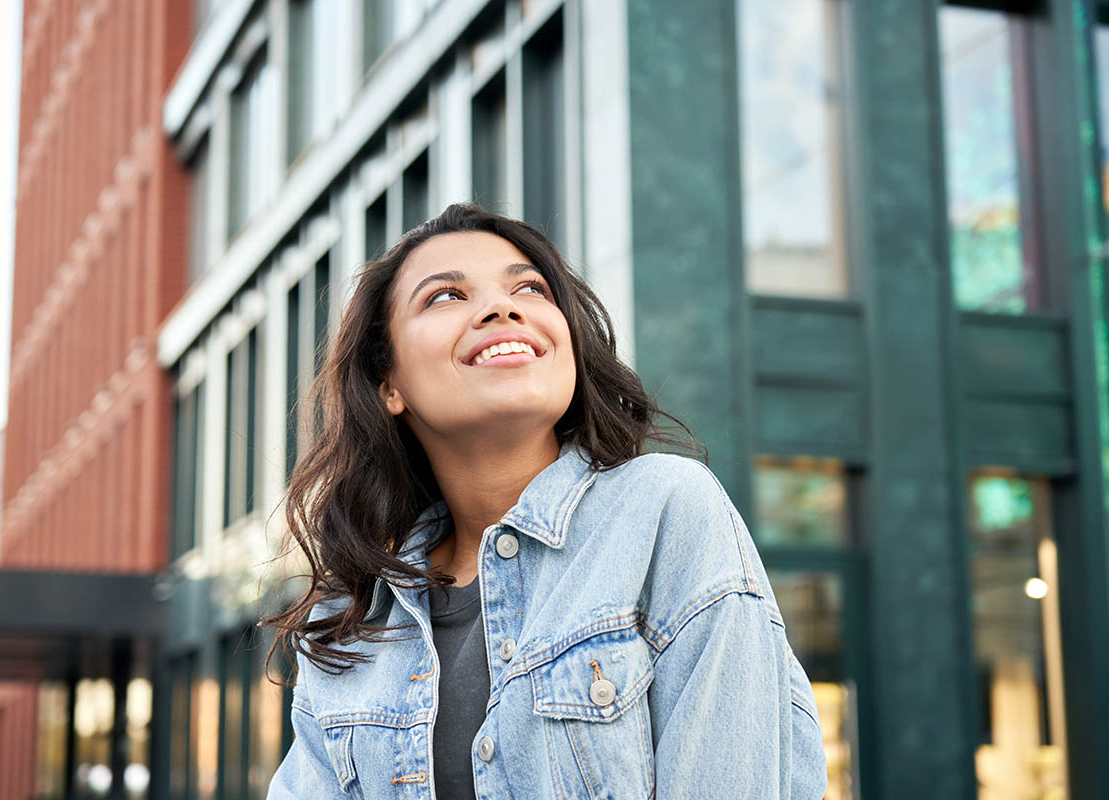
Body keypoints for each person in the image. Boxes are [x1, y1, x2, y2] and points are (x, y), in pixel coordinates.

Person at [263, 202, 829, 799]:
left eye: (530, 288)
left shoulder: (666, 512)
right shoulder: (347, 623)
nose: (502, 307)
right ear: (389, 383)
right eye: (445, 296)